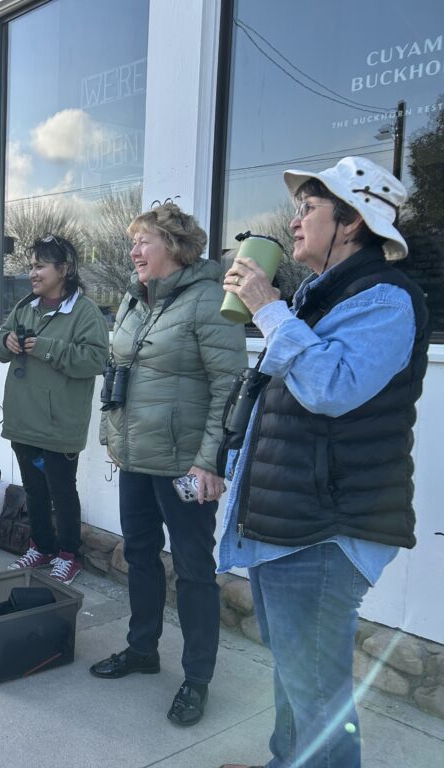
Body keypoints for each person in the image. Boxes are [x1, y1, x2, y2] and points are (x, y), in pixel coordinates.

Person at [217, 157, 428, 768]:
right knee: (293, 676)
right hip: (294, 522)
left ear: (353, 221)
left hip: (326, 529)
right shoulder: (321, 296)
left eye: (310, 207)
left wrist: (267, 307)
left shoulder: (385, 298)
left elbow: (331, 387)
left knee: (318, 695)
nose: (295, 219)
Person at [89, 203, 246, 728]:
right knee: (139, 554)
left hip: (185, 465)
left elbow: (229, 389)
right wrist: (115, 439)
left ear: (175, 247)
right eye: (132, 243)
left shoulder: (210, 302)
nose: (133, 252)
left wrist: (210, 463)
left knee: (196, 570)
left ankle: (197, 678)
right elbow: (120, 372)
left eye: (144, 242)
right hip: (136, 458)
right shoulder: (133, 302)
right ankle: (142, 650)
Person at [0, 234, 108, 585]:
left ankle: (68, 554)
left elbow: (95, 359)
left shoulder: (85, 312)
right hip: (23, 420)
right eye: (31, 266)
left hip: (59, 424)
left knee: (62, 492)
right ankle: (40, 546)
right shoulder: (25, 305)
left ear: (64, 269)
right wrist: (6, 340)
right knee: (34, 490)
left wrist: (45, 347)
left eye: (40, 266)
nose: (33, 273)